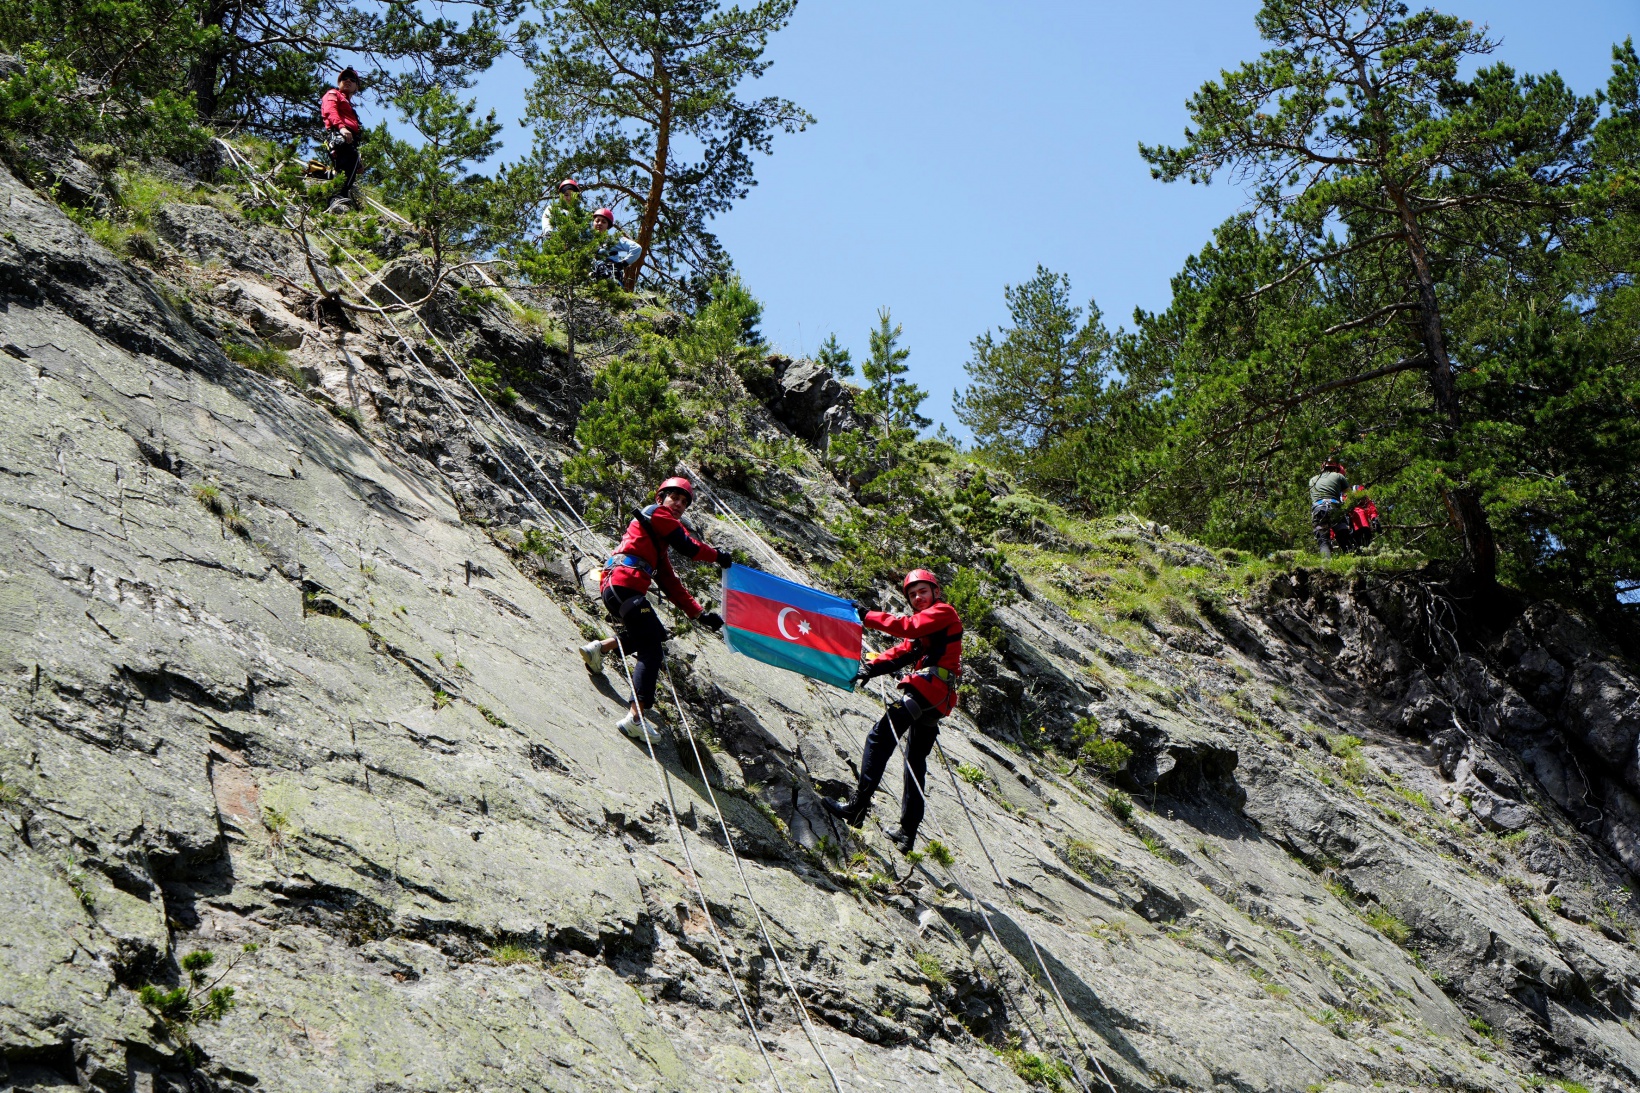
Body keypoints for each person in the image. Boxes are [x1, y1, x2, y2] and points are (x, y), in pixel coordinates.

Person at [579, 477, 734, 740]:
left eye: (684, 503)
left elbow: (670, 583)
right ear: (660, 498)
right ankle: (636, 718)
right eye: (675, 498)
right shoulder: (656, 513)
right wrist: (718, 556)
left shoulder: (656, 544)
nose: (679, 505)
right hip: (625, 585)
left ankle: (600, 649)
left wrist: (699, 614)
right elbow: (688, 546)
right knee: (651, 648)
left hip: (618, 588)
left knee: (650, 635)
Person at [822, 569, 963, 854]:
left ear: (935, 592)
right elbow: (905, 650)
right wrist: (871, 669)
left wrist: (867, 615)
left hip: (926, 690)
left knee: (879, 737)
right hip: (935, 699)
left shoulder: (943, 612)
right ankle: (907, 833)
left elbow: (907, 628)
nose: (917, 597)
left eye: (922, 591)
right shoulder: (929, 627)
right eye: (912, 595)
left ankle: (857, 808)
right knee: (915, 763)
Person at [320, 68, 364, 209]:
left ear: (357, 86)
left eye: (352, 79)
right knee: (348, 158)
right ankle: (337, 198)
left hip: (348, 139)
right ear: (339, 83)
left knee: (351, 160)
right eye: (344, 78)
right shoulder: (333, 94)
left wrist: (358, 161)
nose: (348, 81)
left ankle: (340, 197)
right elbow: (330, 110)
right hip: (339, 134)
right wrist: (341, 127)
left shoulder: (350, 107)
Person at [1309, 459, 1354, 556]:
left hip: (1318, 509)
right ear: (1335, 468)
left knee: (1323, 541)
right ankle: (1353, 564)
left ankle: (1326, 566)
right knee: (1344, 539)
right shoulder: (1338, 476)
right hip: (1335, 508)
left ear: (1322, 468)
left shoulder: (1312, 480)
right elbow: (1350, 494)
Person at [591, 207, 643, 283]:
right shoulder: (585, 240)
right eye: (597, 221)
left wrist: (621, 264)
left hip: (610, 281)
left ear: (608, 226)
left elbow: (637, 248)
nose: (599, 223)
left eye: (603, 222)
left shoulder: (612, 240)